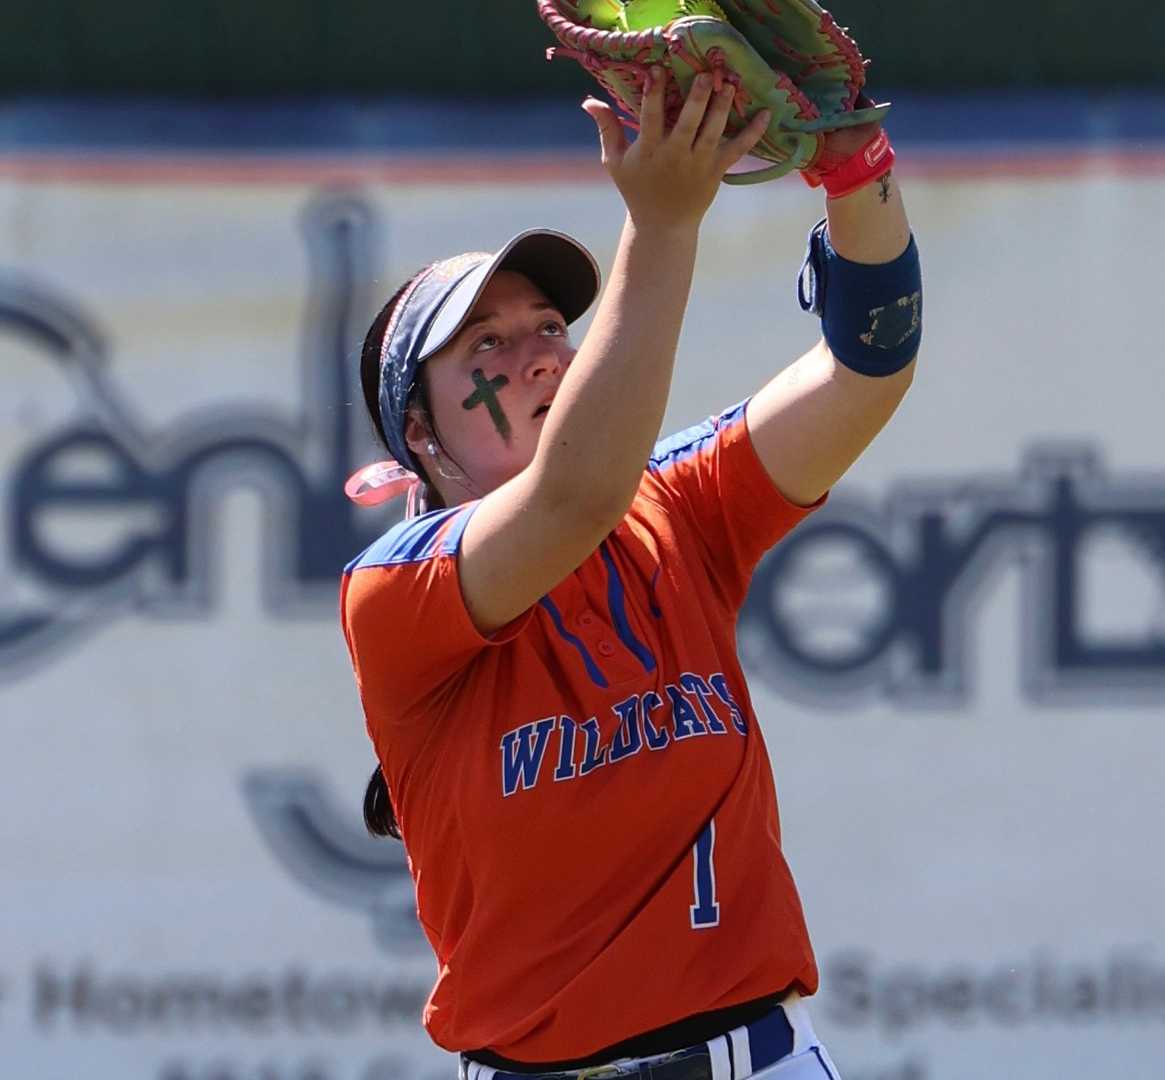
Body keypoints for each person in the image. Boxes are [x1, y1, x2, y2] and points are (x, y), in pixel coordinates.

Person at [339, 67, 919, 1080]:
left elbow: (870, 366)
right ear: (419, 435)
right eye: (487, 344)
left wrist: (853, 164)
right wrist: (662, 224)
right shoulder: (395, 592)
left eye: (551, 329)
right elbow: (575, 496)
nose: (537, 357)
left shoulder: (679, 501)